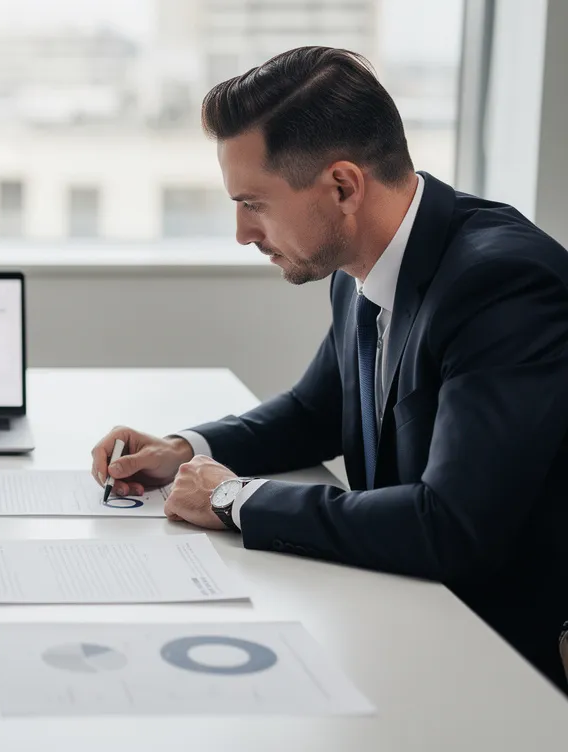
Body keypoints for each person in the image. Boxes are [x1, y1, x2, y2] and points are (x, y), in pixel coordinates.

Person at [90, 46, 568, 694]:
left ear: (342, 186)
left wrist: (235, 499)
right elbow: (318, 411)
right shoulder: (362, 263)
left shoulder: (502, 285)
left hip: (496, 660)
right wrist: (183, 451)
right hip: (400, 617)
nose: (241, 232)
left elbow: (454, 528)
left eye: (254, 203)